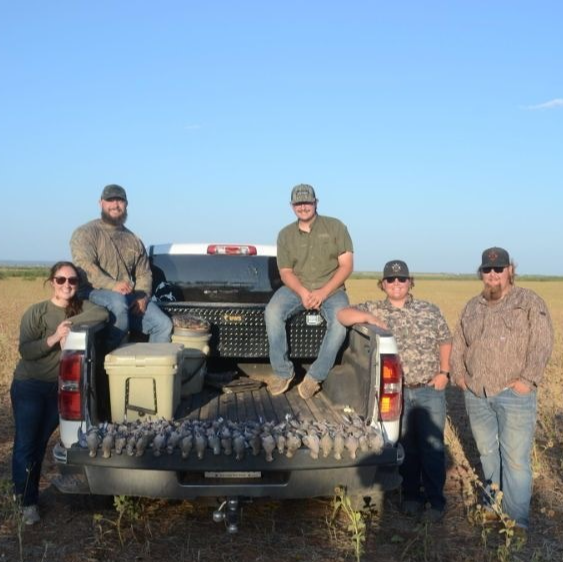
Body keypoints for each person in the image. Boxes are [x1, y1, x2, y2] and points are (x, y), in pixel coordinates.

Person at [338, 260, 452, 522]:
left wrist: (444, 373)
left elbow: (445, 340)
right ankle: (411, 496)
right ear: (383, 284)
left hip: (428, 390)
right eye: (391, 280)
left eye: (402, 279)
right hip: (396, 393)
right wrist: (367, 318)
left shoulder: (429, 310)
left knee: (433, 448)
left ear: (410, 282)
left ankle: (436, 502)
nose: (397, 284)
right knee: (407, 448)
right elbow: (342, 315)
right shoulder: (374, 308)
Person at [451, 247, 553, 533]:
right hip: (477, 393)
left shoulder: (529, 301)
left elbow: (542, 342)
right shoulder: (472, 306)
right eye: (488, 270)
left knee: (516, 460)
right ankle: (493, 506)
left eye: (499, 269)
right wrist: (460, 378)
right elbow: (458, 343)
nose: (493, 275)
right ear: (481, 273)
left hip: (514, 394)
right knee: (487, 453)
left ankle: (516, 520)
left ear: (510, 270)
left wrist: (527, 381)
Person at [11, 261, 108, 525]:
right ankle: (26, 502)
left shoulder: (82, 308)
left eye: (73, 281)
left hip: (59, 390)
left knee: (40, 443)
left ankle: (28, 494)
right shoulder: (38, 312)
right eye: (61, 280)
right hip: (30, 386)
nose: (67, 285)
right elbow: (26, 350)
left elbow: (102, 314)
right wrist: (54, 338)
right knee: (25, 446)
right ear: (52, 281)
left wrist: (71, 326)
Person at [265, 184, 354, 399]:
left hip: (332, 290)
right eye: (298, 203)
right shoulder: (285, 235)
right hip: (296, 288)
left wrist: (323, 293)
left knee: (340, 323)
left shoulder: (336, 227)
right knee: (272, 312)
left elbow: (346, 265)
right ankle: (283, 372)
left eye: (307, 202)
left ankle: (315, 376)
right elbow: (285, 272)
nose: (303, 207)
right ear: (292, 206)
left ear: (316, 202)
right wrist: (304, 293)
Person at [70, 184, 172, 351]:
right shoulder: (86, 233)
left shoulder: (134, 239)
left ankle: (153, 371)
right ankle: (105, 360)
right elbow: (85, 266)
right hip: (91, 293)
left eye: (120, 200)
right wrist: (113, 285)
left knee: (163, 324)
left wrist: (142, 296)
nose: (115, 205)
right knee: (118, 303)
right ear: (100, 203)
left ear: (126, 204)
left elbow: (144, 273)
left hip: (125, 297)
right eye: (110, 200)